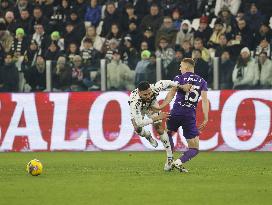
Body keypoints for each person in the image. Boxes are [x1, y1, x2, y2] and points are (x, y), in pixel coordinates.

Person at [153, 58, 209, 172]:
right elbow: (204, 100)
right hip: (189, 115)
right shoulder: (202, 81)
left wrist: (161, 106)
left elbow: (171, 93)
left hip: (176, 112)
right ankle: (178, 162)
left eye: (181, 66)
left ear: (186, 67)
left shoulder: (179, 78)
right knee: (194, 148)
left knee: (167, 133)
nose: (179, 68)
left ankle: (170, 159)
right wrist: (206, 118)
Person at [129, 80, 192, 171]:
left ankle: (170, 158)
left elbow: (168, 82)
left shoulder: (155, 88)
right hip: (140, 110)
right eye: (145, 95)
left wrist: (182, 87)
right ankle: (148, 136)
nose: (148, 96)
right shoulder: (134, 103)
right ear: (139, 93)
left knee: (159, 128)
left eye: (149, 93)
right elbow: (140, 123)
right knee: (137, 129)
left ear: (151, 89)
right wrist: (159, 117)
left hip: (151, 106)